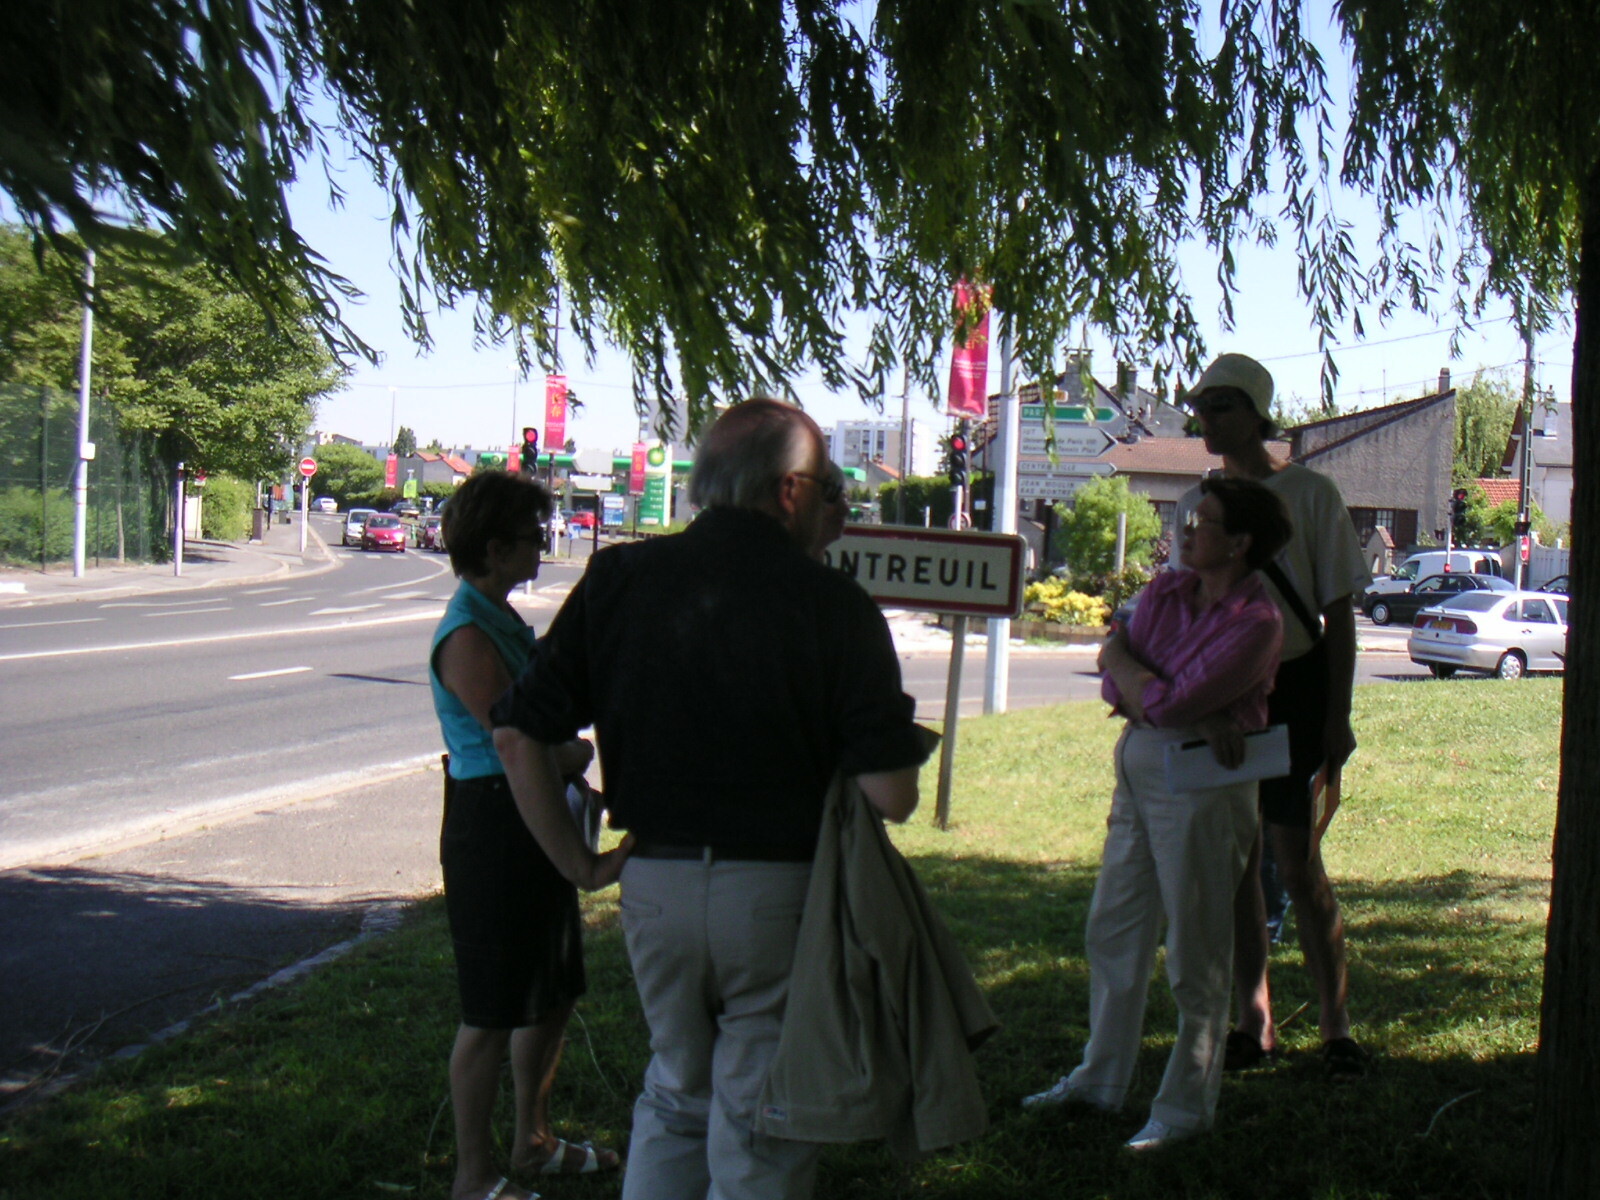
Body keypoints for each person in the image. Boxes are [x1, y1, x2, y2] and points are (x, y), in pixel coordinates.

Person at [490, 397, 930, 1200]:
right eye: (827, 487)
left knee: (676, 1094)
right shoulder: (835, 604)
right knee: (763, 1119)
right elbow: (892, 795)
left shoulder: (619, 577)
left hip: (653, 885)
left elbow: (516, 736)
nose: (835, 503)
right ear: (790, 490)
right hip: (777, 893)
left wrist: (579, 866)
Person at [1023, 476, 1291, 1150]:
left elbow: (1162, 694)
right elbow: (1119, 676)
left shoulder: (1258, 622)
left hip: (1202, 786)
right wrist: (1139, 673)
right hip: (1141, 766)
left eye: (1204, 521)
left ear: (1240, 542)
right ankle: (1100, 1078)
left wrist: (1133, 668)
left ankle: (1184, 1109)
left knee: (1196, 949)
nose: (1188, 530)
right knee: (1113, 927)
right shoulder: (1169, 591)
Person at [428, 470, 624, 1200]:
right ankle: (473, 1177)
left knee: (550, 992)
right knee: (490, 1011)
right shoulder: (466, 635)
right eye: (531, 535)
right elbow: (518, 741)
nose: (543, 544)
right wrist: (572, 754)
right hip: (494, 829)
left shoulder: (501, 621)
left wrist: (568, 753)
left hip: (530, 820)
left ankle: (533, 1143)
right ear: (494, 548)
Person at [1178, 352, 1373, 1079]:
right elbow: (1187, 604)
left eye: (1222, 404)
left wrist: (1336, 716)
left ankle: (1336, 1026)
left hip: (1295, 687)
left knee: (1296, 861)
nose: (1207, 416)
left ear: (1259, 414)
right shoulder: (1195, 502)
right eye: (1200, 405)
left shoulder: (1311, 494)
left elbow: (1338, 616)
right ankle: (1252, 1023)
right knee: (1237, 865)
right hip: (1227, 689)